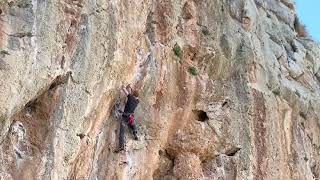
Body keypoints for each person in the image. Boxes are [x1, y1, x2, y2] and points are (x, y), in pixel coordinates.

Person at [114, 84, 140, 153]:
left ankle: (121, 146)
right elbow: (133, 94)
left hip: (125, 117)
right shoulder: (137, 101)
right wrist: (131, 88)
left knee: (121, 132)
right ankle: (135, 133)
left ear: (132, 94)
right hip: (131, 117)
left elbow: (124, 89)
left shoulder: (130, 97)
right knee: (132, 123)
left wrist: (123, 86)